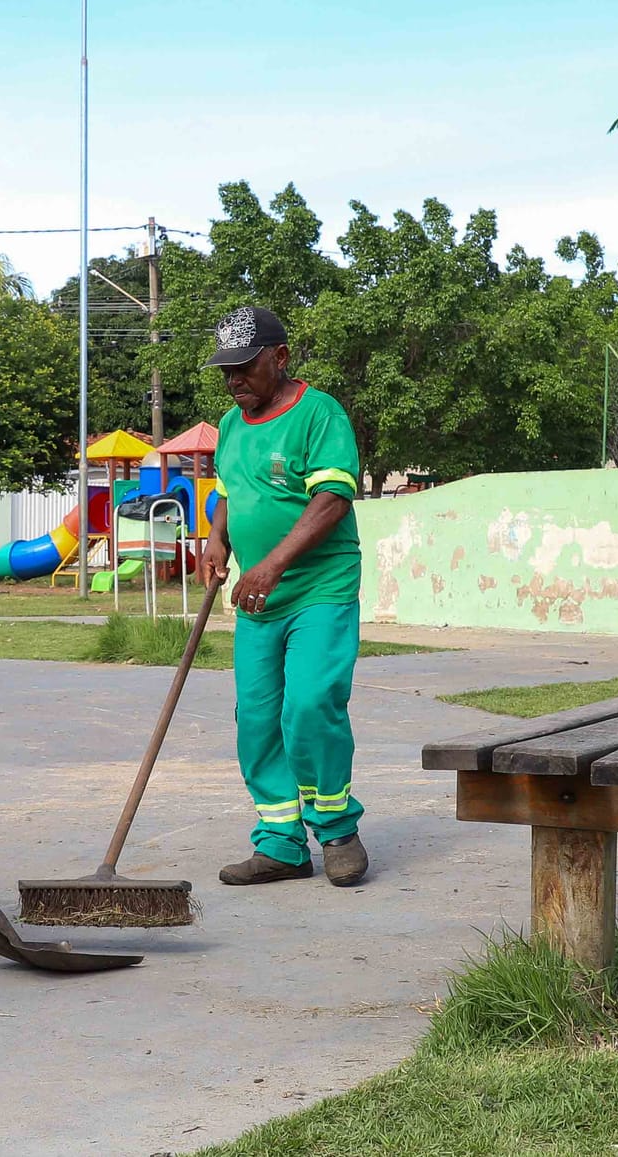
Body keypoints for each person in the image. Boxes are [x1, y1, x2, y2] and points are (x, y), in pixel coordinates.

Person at [195, 306, 369, 888]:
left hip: (320, 586)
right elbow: (226, 492)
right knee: (258, 718)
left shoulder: (320, 414)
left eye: (245, 367)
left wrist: (270, 564)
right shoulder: (231, 425)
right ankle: (281, 843)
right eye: (227, 371)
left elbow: (333, 501)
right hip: (258, 599)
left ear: (281, 358)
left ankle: (337, 830)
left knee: (310, 704)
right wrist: (216, 538)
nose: (235, 380)